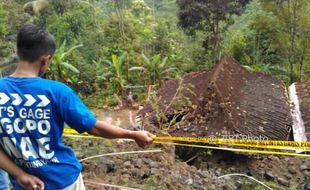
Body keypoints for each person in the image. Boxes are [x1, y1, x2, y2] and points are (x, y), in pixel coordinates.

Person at [0, 24, 154, 190]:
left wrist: (20, 175)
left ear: (17, 51)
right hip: (63, 181)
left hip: (26, 184)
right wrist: (133, 135)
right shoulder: (58, 92)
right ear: (45, 59)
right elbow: (93, 128)